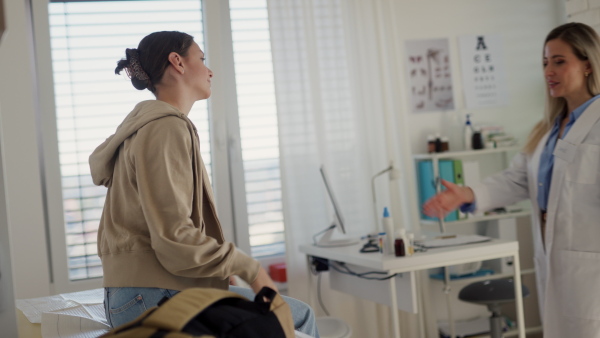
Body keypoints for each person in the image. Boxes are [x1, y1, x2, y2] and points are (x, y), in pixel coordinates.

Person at [89, 31, 319, 337]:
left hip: (136, 294)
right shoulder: (166, 128)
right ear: (177, 62)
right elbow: (174, 236)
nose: (210, 70)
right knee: (297, 316)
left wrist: (215, 273)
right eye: (201, 59)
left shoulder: (145, 126)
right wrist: (250, 268)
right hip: (153, 295)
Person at [423, 22, 600, 338]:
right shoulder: (548, 130)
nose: (549, 70)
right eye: (545, 62)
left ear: (588, 64)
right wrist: (465, 193)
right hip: (554, 260)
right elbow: (518, 179)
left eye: (559, 61)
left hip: (591, 268)